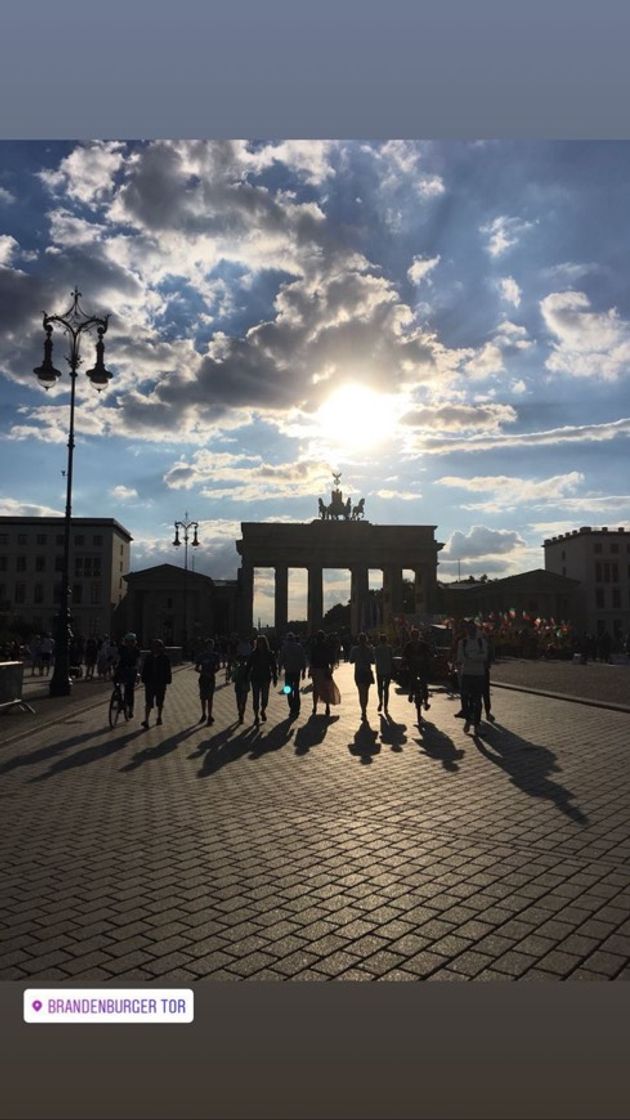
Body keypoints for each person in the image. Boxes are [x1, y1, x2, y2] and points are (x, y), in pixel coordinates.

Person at [455, 619, 488, 735]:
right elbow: (460, 658)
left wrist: (471, 657)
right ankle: (468, 719)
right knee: (464, 698)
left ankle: (477, 723)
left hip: (479, 674)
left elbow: (484, 656)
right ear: (467, 630)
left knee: (477, 700)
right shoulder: (462, 642)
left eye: (474, 629)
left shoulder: (481, 641)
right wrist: (475, 656)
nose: (472, 631)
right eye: (469, 629)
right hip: (466, 674)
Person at [140, 639, 172, 728]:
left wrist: (168, 680)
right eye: (154, 646)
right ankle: (146, 720)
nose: (156, 648)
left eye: (158, 646)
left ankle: (159, 717)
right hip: (150, 682)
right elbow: (145, 669)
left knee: (160, 701)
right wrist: (144, 679)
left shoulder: (165, 658)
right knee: (148, 702)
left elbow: (168, 670)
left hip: (160, 682)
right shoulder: (148, 657)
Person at [247, 635, 277, 724]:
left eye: (262, 643)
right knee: (255, 697)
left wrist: (275, 676)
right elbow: (249, 665)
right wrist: (245, 676)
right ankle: (256, 716)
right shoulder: (253, 654)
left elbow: (273, 666)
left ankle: (263, 710)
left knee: (265, 697)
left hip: (265, 677)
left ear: (265, 643)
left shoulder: (269, 653)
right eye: (259, 642)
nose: (260, 644)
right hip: (255, 678)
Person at [403, 627, 432, 720]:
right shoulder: (409, 645)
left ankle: (424, 701)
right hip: (415, 669)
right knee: (416, 681)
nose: (415, 638)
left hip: (421, 668)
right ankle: (413, 694)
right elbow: (404, 656)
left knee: (423, 684)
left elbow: (430, 654)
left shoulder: (423, 645)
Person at [277, 631, 307, 718]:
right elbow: (303, 660)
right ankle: (296, 707)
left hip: (289, 672)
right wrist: (304, 671)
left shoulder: (284, 648)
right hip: (297, 672)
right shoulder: (299, 647)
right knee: (296, 690)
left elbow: (280, 660)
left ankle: (292, 706)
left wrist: (279, 670)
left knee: (288, 690)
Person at [308, 630, 337, 717]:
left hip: (316, 670)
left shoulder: (314, 647)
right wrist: (331, 668)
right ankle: (327, 706)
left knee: (316, 689)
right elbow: (332, 659)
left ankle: (314, 706)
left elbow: (311, 660)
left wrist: (310, 670)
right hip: (325, 669)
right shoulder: (327, 647)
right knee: (326, 689)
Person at [349, 632, 375, 721]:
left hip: (359, 672)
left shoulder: (354, 649)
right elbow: (373, 661)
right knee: (366, 693)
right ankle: (364, 710)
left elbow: (351, 660)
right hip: (367, 672)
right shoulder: (369, 649)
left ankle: (363, 710)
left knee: (361, 693)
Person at [114, 633, 141, 718]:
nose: (129, 643)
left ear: (134, 642)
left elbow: (138, 661)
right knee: (115, 680)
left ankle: (130, 709)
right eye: (127, 641)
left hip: (131, 669)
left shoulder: (136, 650)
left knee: (129, 690)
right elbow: (117, 657)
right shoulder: (122, 649)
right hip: (122, 668)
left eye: (131, 641)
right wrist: (114, 664)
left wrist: (136, 669)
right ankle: (118, 697)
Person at [195, 637, 221, 724]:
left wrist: (213, 672)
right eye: (209, 646)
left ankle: (210, 715)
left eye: (211, 646)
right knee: (203, 697)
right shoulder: (202, 656)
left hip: (211, 678)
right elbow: (196, 668)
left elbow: (218, 667)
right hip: (203, 678)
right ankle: (203, 714)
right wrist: (203, 672)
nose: (210, 647)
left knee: (210, 698)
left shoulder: (215, 656)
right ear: (206, 646)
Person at [374, 633, 394, 714]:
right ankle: (386, 706)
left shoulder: (377, 648)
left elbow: (375, 658)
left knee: (379, 687)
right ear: (386, 640)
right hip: (388, 670)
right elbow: (391, 658)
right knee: (386, 689)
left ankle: (380, 702)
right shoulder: (389, 648)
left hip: (379, 670)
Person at [233, 656, 251, 724]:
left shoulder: (247, 669)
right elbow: (233, 678)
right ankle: (240, 713)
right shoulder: (237, 668)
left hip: (243, 687)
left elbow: (249, 677)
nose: (242, 662)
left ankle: (241, 714)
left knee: (242, 702)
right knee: (240, 702)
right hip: (240, 686)